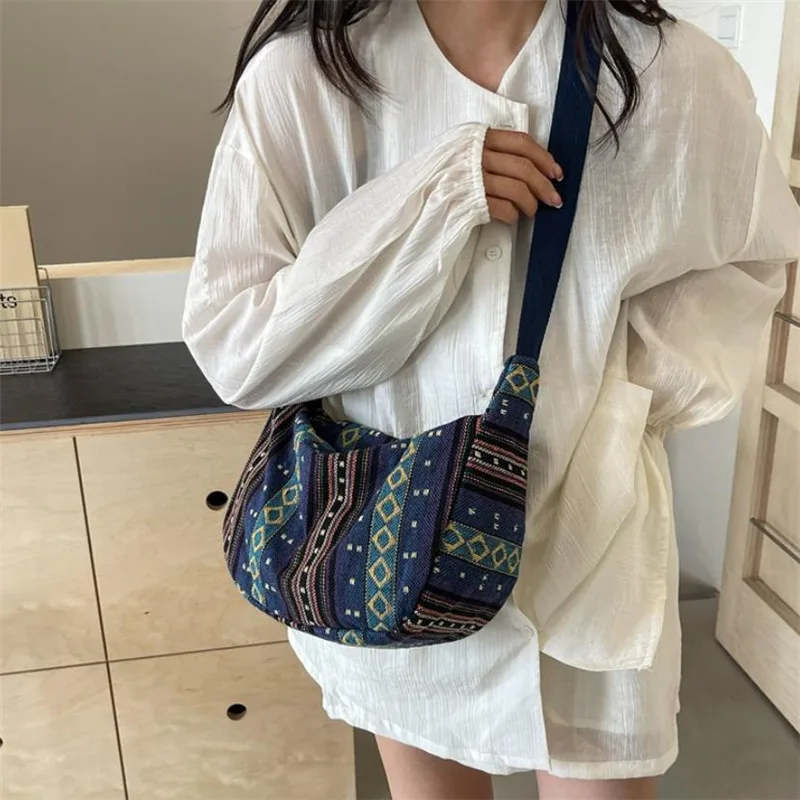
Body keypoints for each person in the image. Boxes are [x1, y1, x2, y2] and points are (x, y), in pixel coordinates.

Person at [183, 0, 800, 797]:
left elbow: (752, 257)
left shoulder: (671, 73)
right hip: (389, 546)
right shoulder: (308, 78)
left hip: (591, 540)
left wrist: (624, 400)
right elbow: (240, 346)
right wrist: (431, 201)